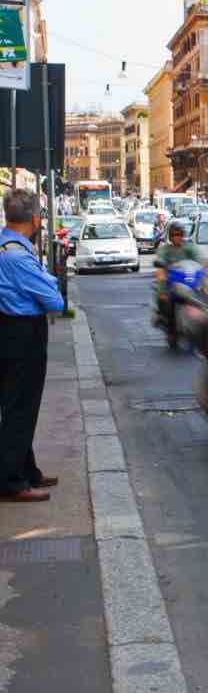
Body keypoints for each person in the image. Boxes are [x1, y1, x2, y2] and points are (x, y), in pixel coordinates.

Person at [0, 190, 65, 502]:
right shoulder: (18, 256)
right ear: (36, 219)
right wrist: (48, 282)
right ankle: (12, 482)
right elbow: (55, 300)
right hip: (23, 334)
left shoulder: (5, 246)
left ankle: (27, 470)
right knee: (20, 407)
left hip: (11, 331)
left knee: (16, 404)